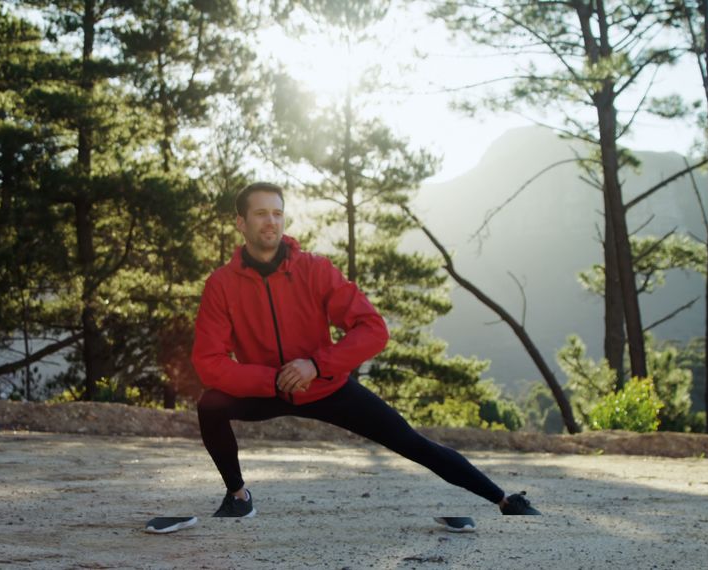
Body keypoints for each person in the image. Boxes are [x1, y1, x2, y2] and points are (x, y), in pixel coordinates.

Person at [190, 182, 540, 533]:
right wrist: (274, 380)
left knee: (411, 442)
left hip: (326, 386)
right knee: (211, 406)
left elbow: (373, 329)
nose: (271, 221)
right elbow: (208, 361)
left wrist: (316, 365)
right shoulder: (221, 284)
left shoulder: (315, 269)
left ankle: (504, 500)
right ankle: (238, 496)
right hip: (267, 390)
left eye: (277, 213)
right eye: (261, 213)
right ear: (241, 223)